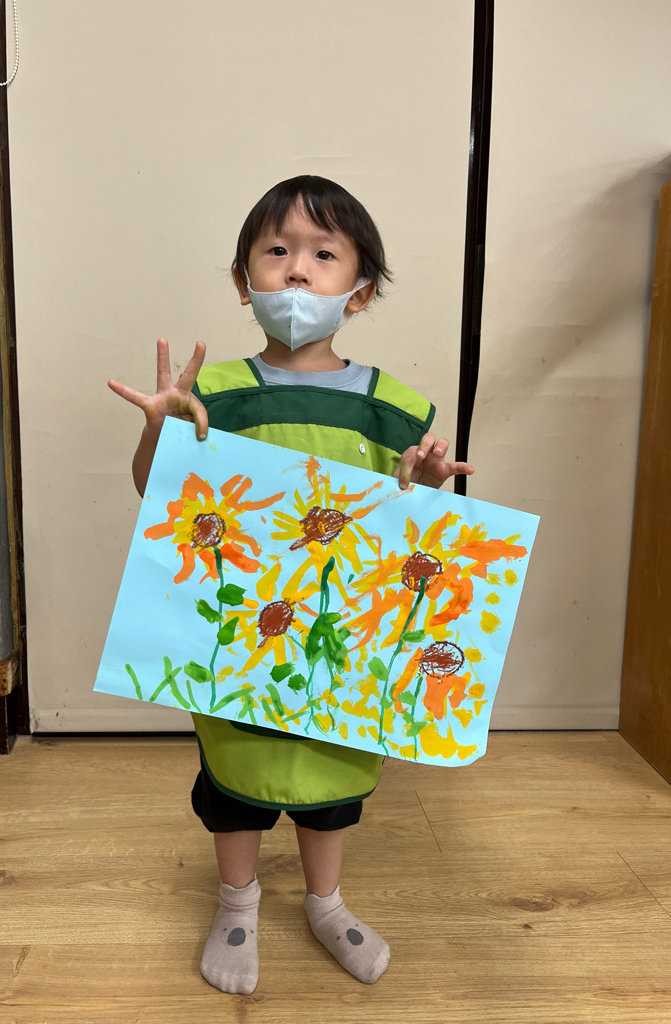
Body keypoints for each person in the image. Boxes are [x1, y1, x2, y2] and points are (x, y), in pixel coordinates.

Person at [107, 175, 474, 995]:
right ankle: (236, 902)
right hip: (239, 634)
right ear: (246, 281)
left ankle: (325, 902)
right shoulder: (215, 396)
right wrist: (161, 429)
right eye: (277, 251)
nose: (298, 271)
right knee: (235, 779)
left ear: (360, 290)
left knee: (331, 781)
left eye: (323, 254)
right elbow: (158, 497)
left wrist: (425, 486)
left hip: (339, 639)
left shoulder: (395, 412)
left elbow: (406, 538)